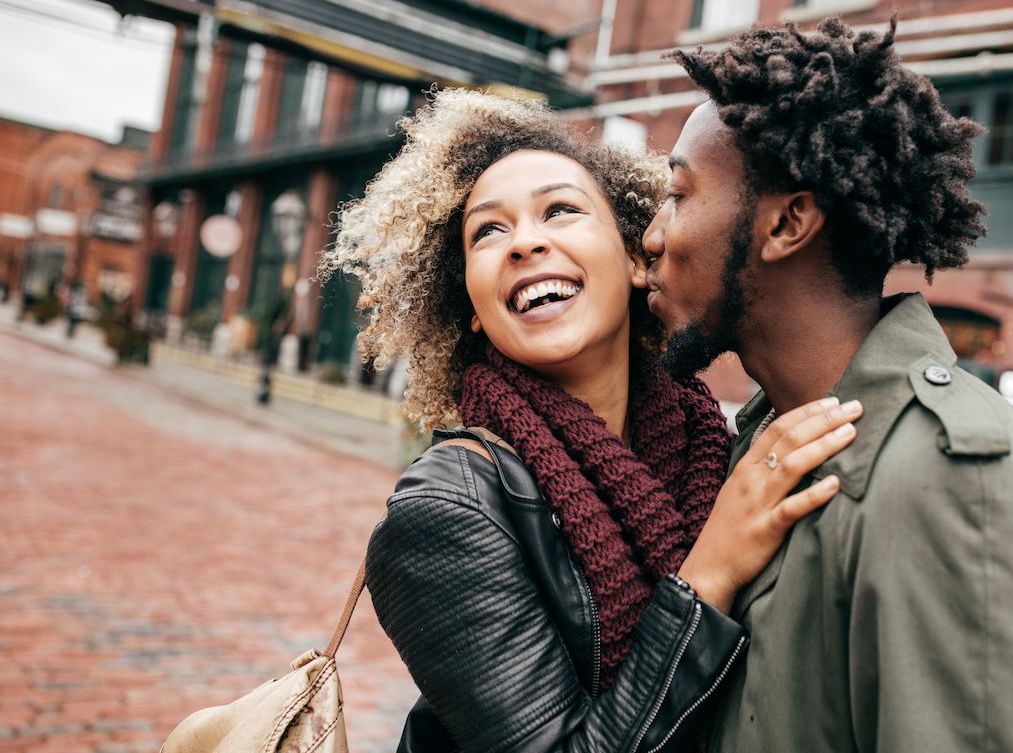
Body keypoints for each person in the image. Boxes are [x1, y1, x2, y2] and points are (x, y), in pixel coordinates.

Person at [323, 88, 864, 752]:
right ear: (468, 301)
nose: (524, 242)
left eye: (560, 210)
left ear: (636, 258)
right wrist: (709, 574)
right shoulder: (444, 511)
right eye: (488, 231)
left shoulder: (716, 450)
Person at [642, 18, 1013, 751]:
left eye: (678, 194)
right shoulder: (770, 440)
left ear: (789, 224)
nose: (652, 233)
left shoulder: (954, 484)